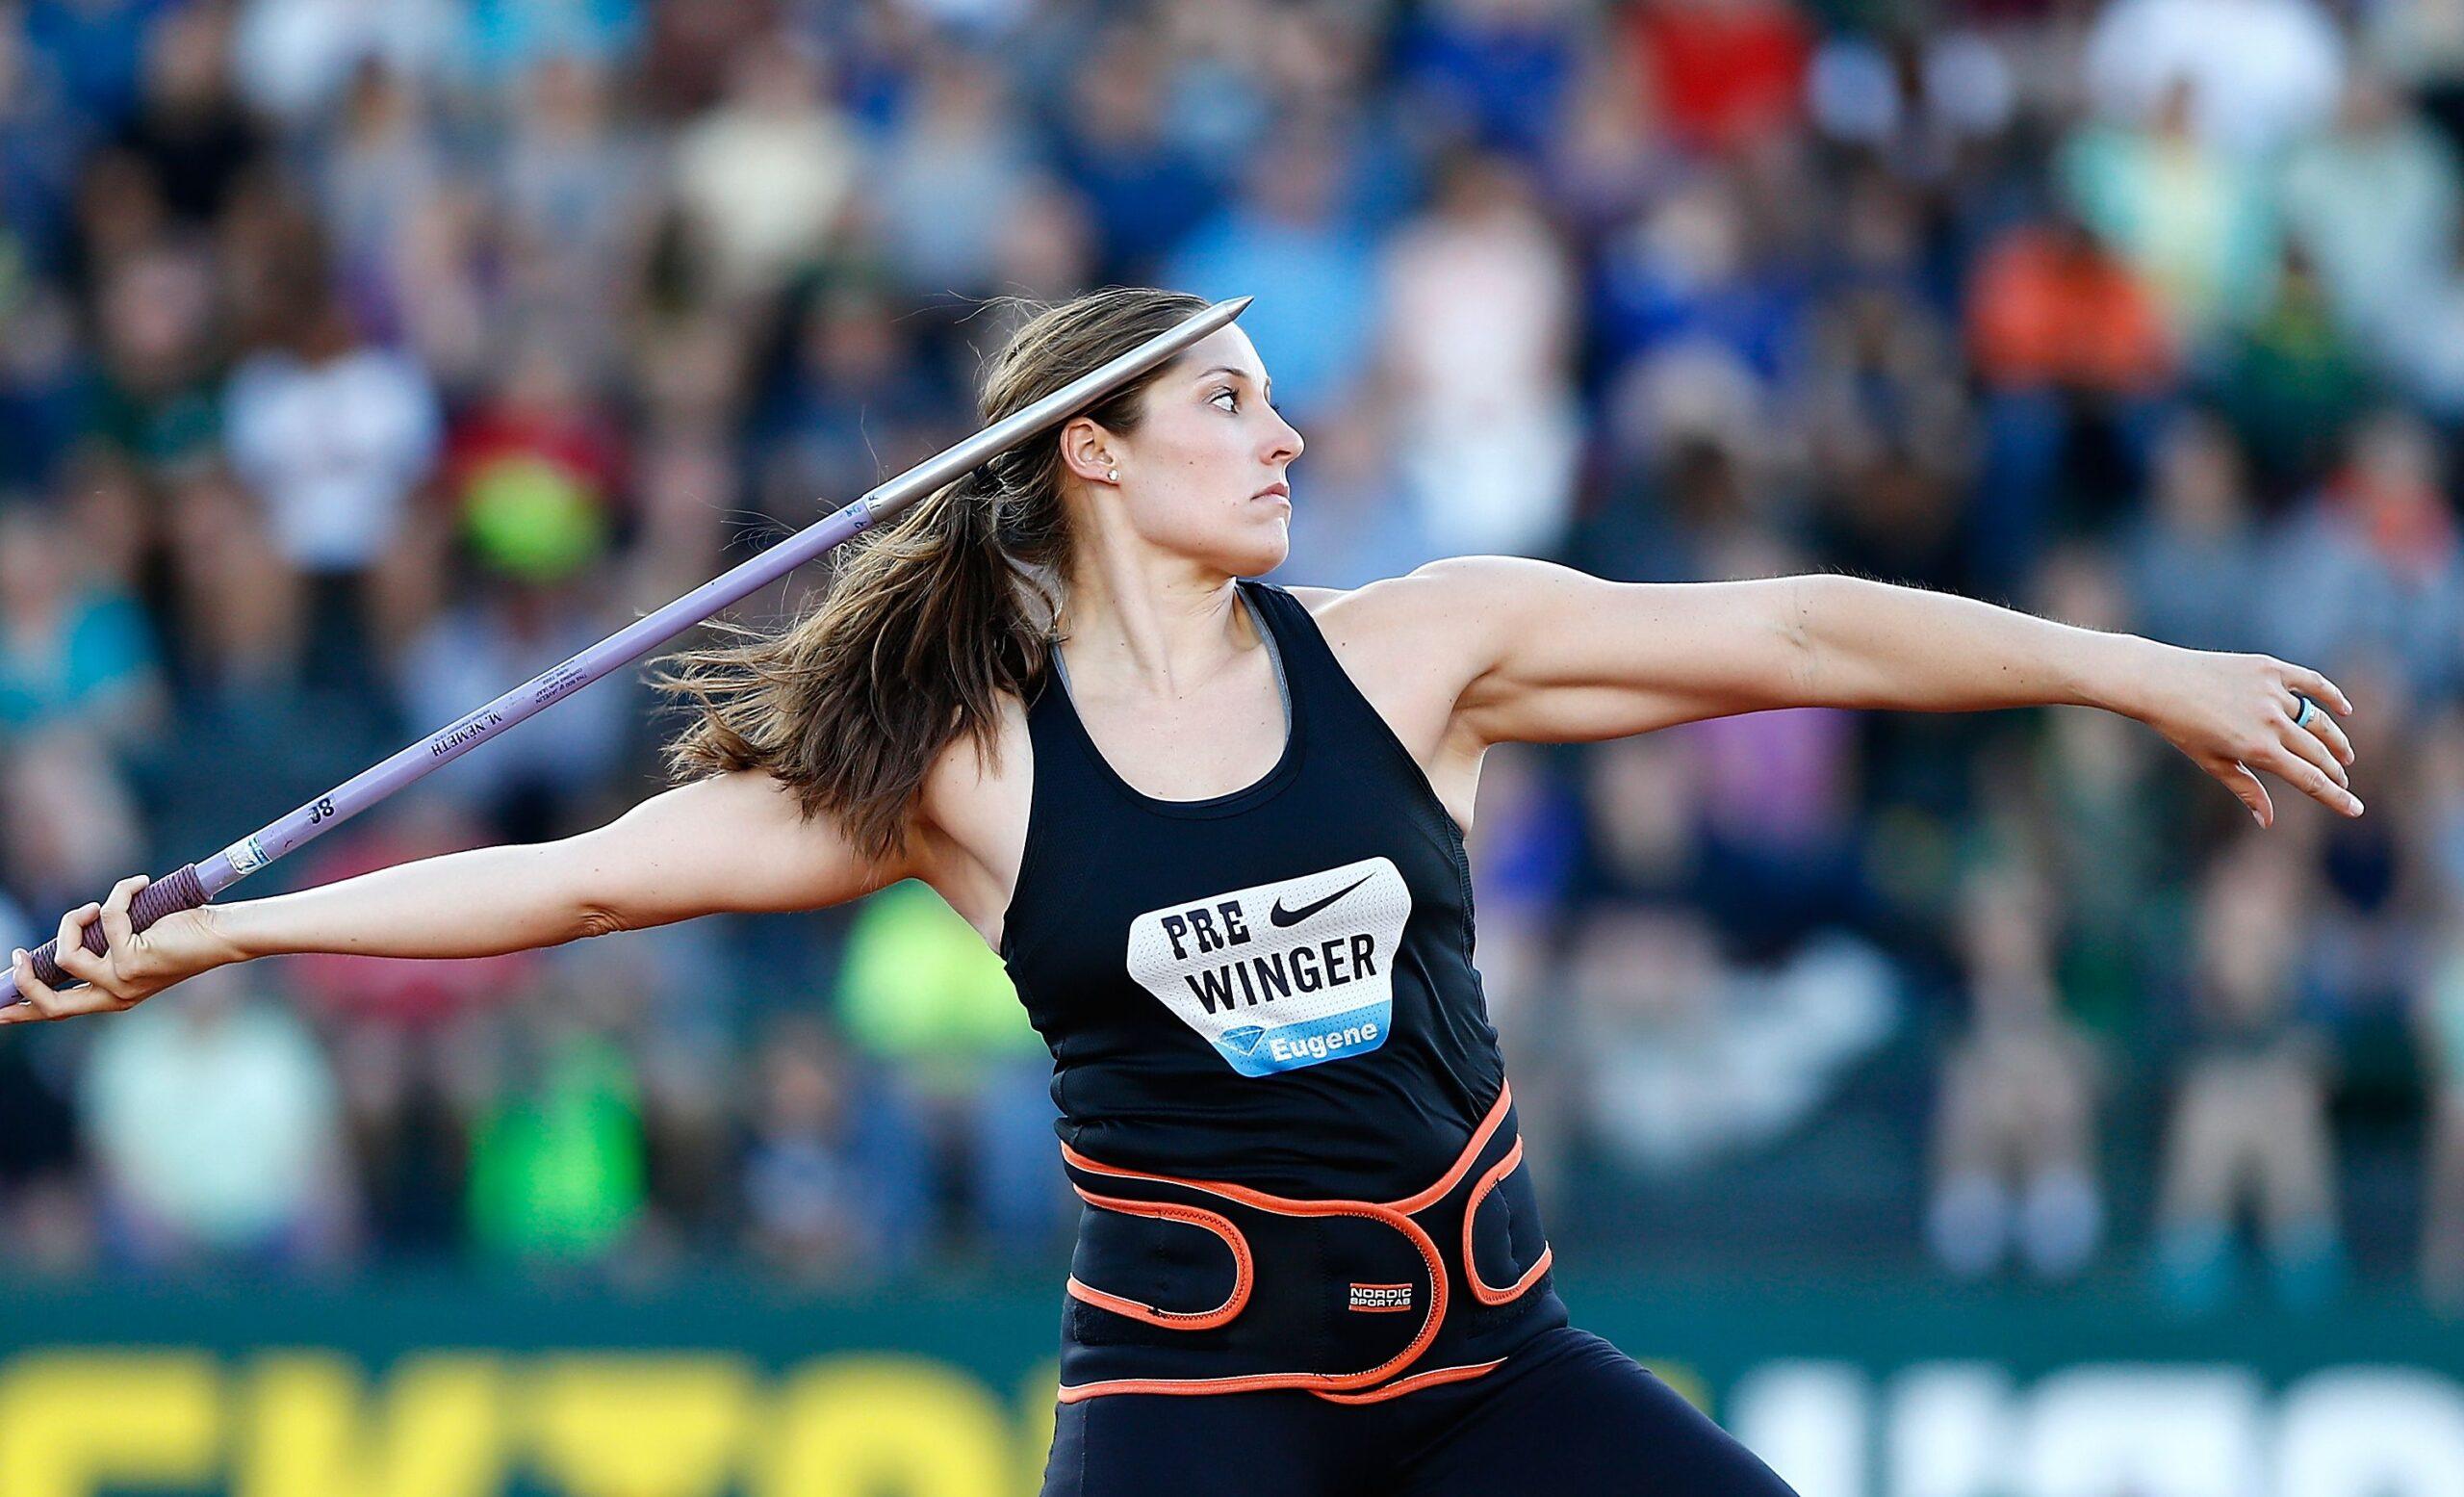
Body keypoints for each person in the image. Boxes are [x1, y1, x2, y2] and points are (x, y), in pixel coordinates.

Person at [1, 287, 2364, 1496]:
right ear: (1095, 458)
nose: (1286, 430)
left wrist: (2128, 667)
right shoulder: (964, 768)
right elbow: (589, 886)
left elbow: (1804, 634)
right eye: (1227, 401)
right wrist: (229, 928)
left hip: (1489, 1373)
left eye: (1271, 395)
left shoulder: (1420, 648)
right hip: (1194, 1404)